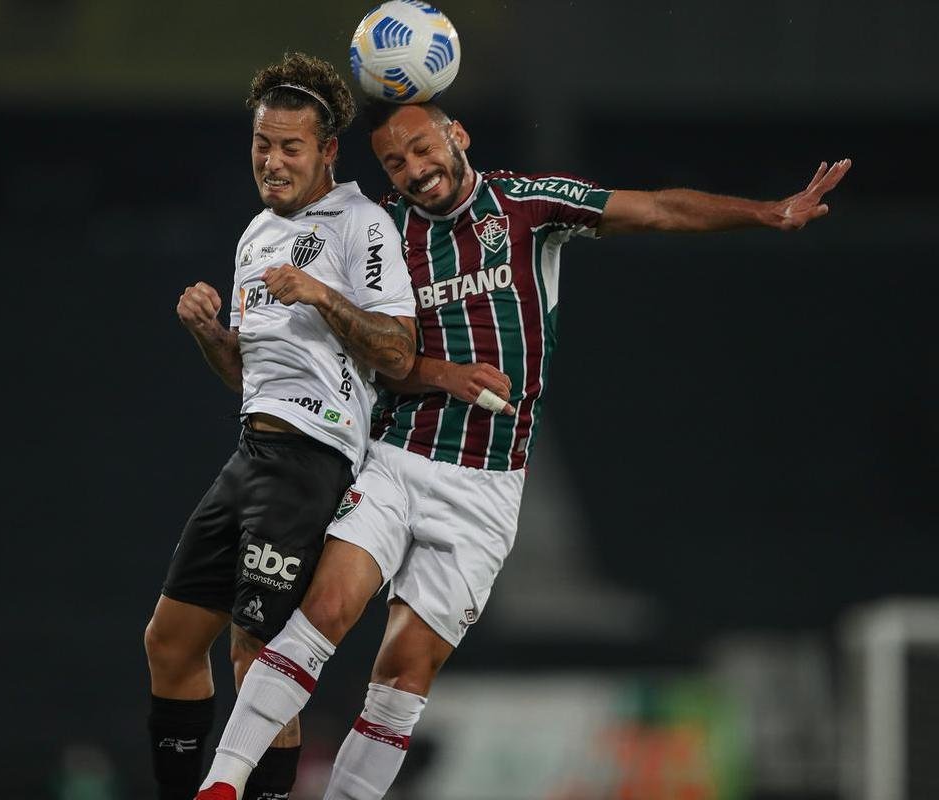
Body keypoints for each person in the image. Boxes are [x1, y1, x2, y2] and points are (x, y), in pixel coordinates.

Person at [194, 100, 851, 800]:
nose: (415, 171)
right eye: (395, 162)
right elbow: (366, 352)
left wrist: (766, 212)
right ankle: (221, 786)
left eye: (423, 149)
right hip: (397, 457)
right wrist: (441, 374)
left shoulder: (527, 205)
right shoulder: (378, 232)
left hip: (487, 487)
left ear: (458, 136)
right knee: (327, 608)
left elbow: (656, 209)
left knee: (403, 677)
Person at [144, 57, 417, 800]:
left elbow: (397, 352)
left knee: (257, 653)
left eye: (291, 147)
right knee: (168, 643)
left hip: (313, 459)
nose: (272, 160)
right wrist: (209, 333)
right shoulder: (255, 234)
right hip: (252, 451)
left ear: (328, 151)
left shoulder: (362, 224)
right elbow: (249, 377)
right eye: (262, 144)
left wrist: (321, 294)